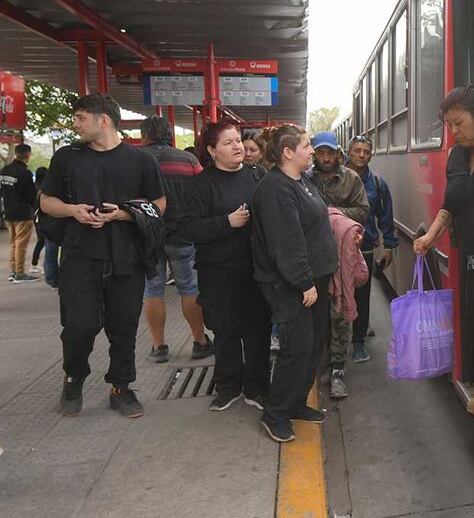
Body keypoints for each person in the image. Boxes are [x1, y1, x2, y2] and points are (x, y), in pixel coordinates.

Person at [40, 94, 166, 419]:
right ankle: (74, 377)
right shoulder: (68, 158)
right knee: (79, 325)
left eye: (81, 117)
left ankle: (121, 387)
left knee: (124, 326)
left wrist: (123, 215)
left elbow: (159, 204)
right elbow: (46, 202)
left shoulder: (141, 161)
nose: (75, 124)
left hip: (126, 256)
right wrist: (73, 211)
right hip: (80, 255)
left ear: (103, 120)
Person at [414, 84, 474, 415]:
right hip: (472, 252)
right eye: (449, 125)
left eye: (458, 123)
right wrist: (431, 236)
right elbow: (450, 204)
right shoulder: (456, 155)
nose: (453, 132)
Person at [252, 125, 338, 442]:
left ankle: (296, 403)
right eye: (306, 146)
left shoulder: (301, 180)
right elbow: (286, 243)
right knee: (296, 348)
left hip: (314, 279)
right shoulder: (275, 189)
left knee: (314, 344)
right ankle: (275, 414)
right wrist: (304, 283)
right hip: (293, 284)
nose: (312, 150)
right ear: (288, 153)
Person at [179, 121, 270, 412]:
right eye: (228, 142)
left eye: (238, 140)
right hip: (217, 271)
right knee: (226, 331)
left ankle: (257, 387)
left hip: (256, 269)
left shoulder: (258, 176)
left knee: (258, 330)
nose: (237, 146)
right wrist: (226, 223)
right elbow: (188, 228)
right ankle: (228, 385)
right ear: (211, 150)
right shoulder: (201, 185)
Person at [139, 116, 213, 363]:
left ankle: (158, 346)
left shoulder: (135, 159)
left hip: (147, 236)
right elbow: (203, 192)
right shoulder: (188, 159)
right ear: (169, 135)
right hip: (182, 235)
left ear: (145, 135)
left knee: (153, 290)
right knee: (190, 288)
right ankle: (200, 341)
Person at [309, 131, 368, 399]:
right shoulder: (304, 178)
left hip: (343, 257)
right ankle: (323, 363)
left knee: (340, 310)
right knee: (318, 313)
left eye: (330, 153)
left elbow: (363, 210)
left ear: (337, 153)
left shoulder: (351, 179)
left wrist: (334, 214)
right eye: (320, 153)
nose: (325, 158)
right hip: (314, 256)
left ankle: (337, 371)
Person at [345, 135, 398, 363]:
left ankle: (358, 342)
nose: (361, 155)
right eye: (357, 150)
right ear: (349, 152)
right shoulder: (336, 178)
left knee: (362, 296)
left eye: (366, 151)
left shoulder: (377, 182)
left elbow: (386, 216)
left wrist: (389, 246)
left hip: (364, 248)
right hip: (335, 248)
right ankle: (333, 345)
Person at [1, 143, 39, 283]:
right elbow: (31, 195)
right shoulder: (25, 173)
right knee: (21, 244)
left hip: (8, 211)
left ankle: (13, 271)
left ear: (16, 154)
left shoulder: (4, 170)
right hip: (22, 213)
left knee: (13, 243)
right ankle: (20, 273)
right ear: (28, 155)